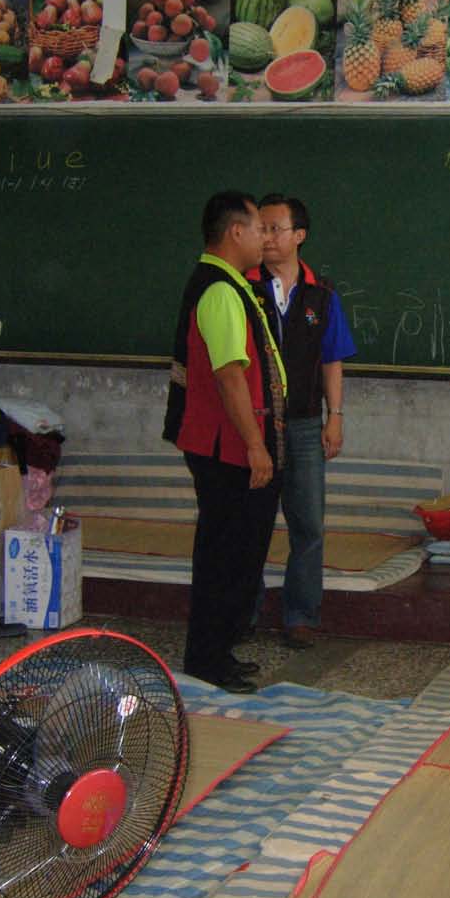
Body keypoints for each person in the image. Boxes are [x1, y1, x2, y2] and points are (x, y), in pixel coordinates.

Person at [162, 191, 285, 695]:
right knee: (225, 555)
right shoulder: (219, 290)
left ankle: (220, 651)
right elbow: (230, 375)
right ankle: (208, 659)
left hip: (235, 444)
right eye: (259, 229)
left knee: (240, 553)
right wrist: (256, 445)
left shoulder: (234, 284)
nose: (265, 239)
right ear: (236, 232)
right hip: (227, 448)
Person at [246, 194, 358, 651]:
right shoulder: (242, 287)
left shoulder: (321, 295)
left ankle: (301, 616)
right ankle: (243, 613)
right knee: (250, 523)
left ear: (299, 236)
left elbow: (332, 360)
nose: (266, 237)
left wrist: (336, 417)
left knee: (308, 525)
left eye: (275, 228)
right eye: (261, 228)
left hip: (307, 425)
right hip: (256, 426)